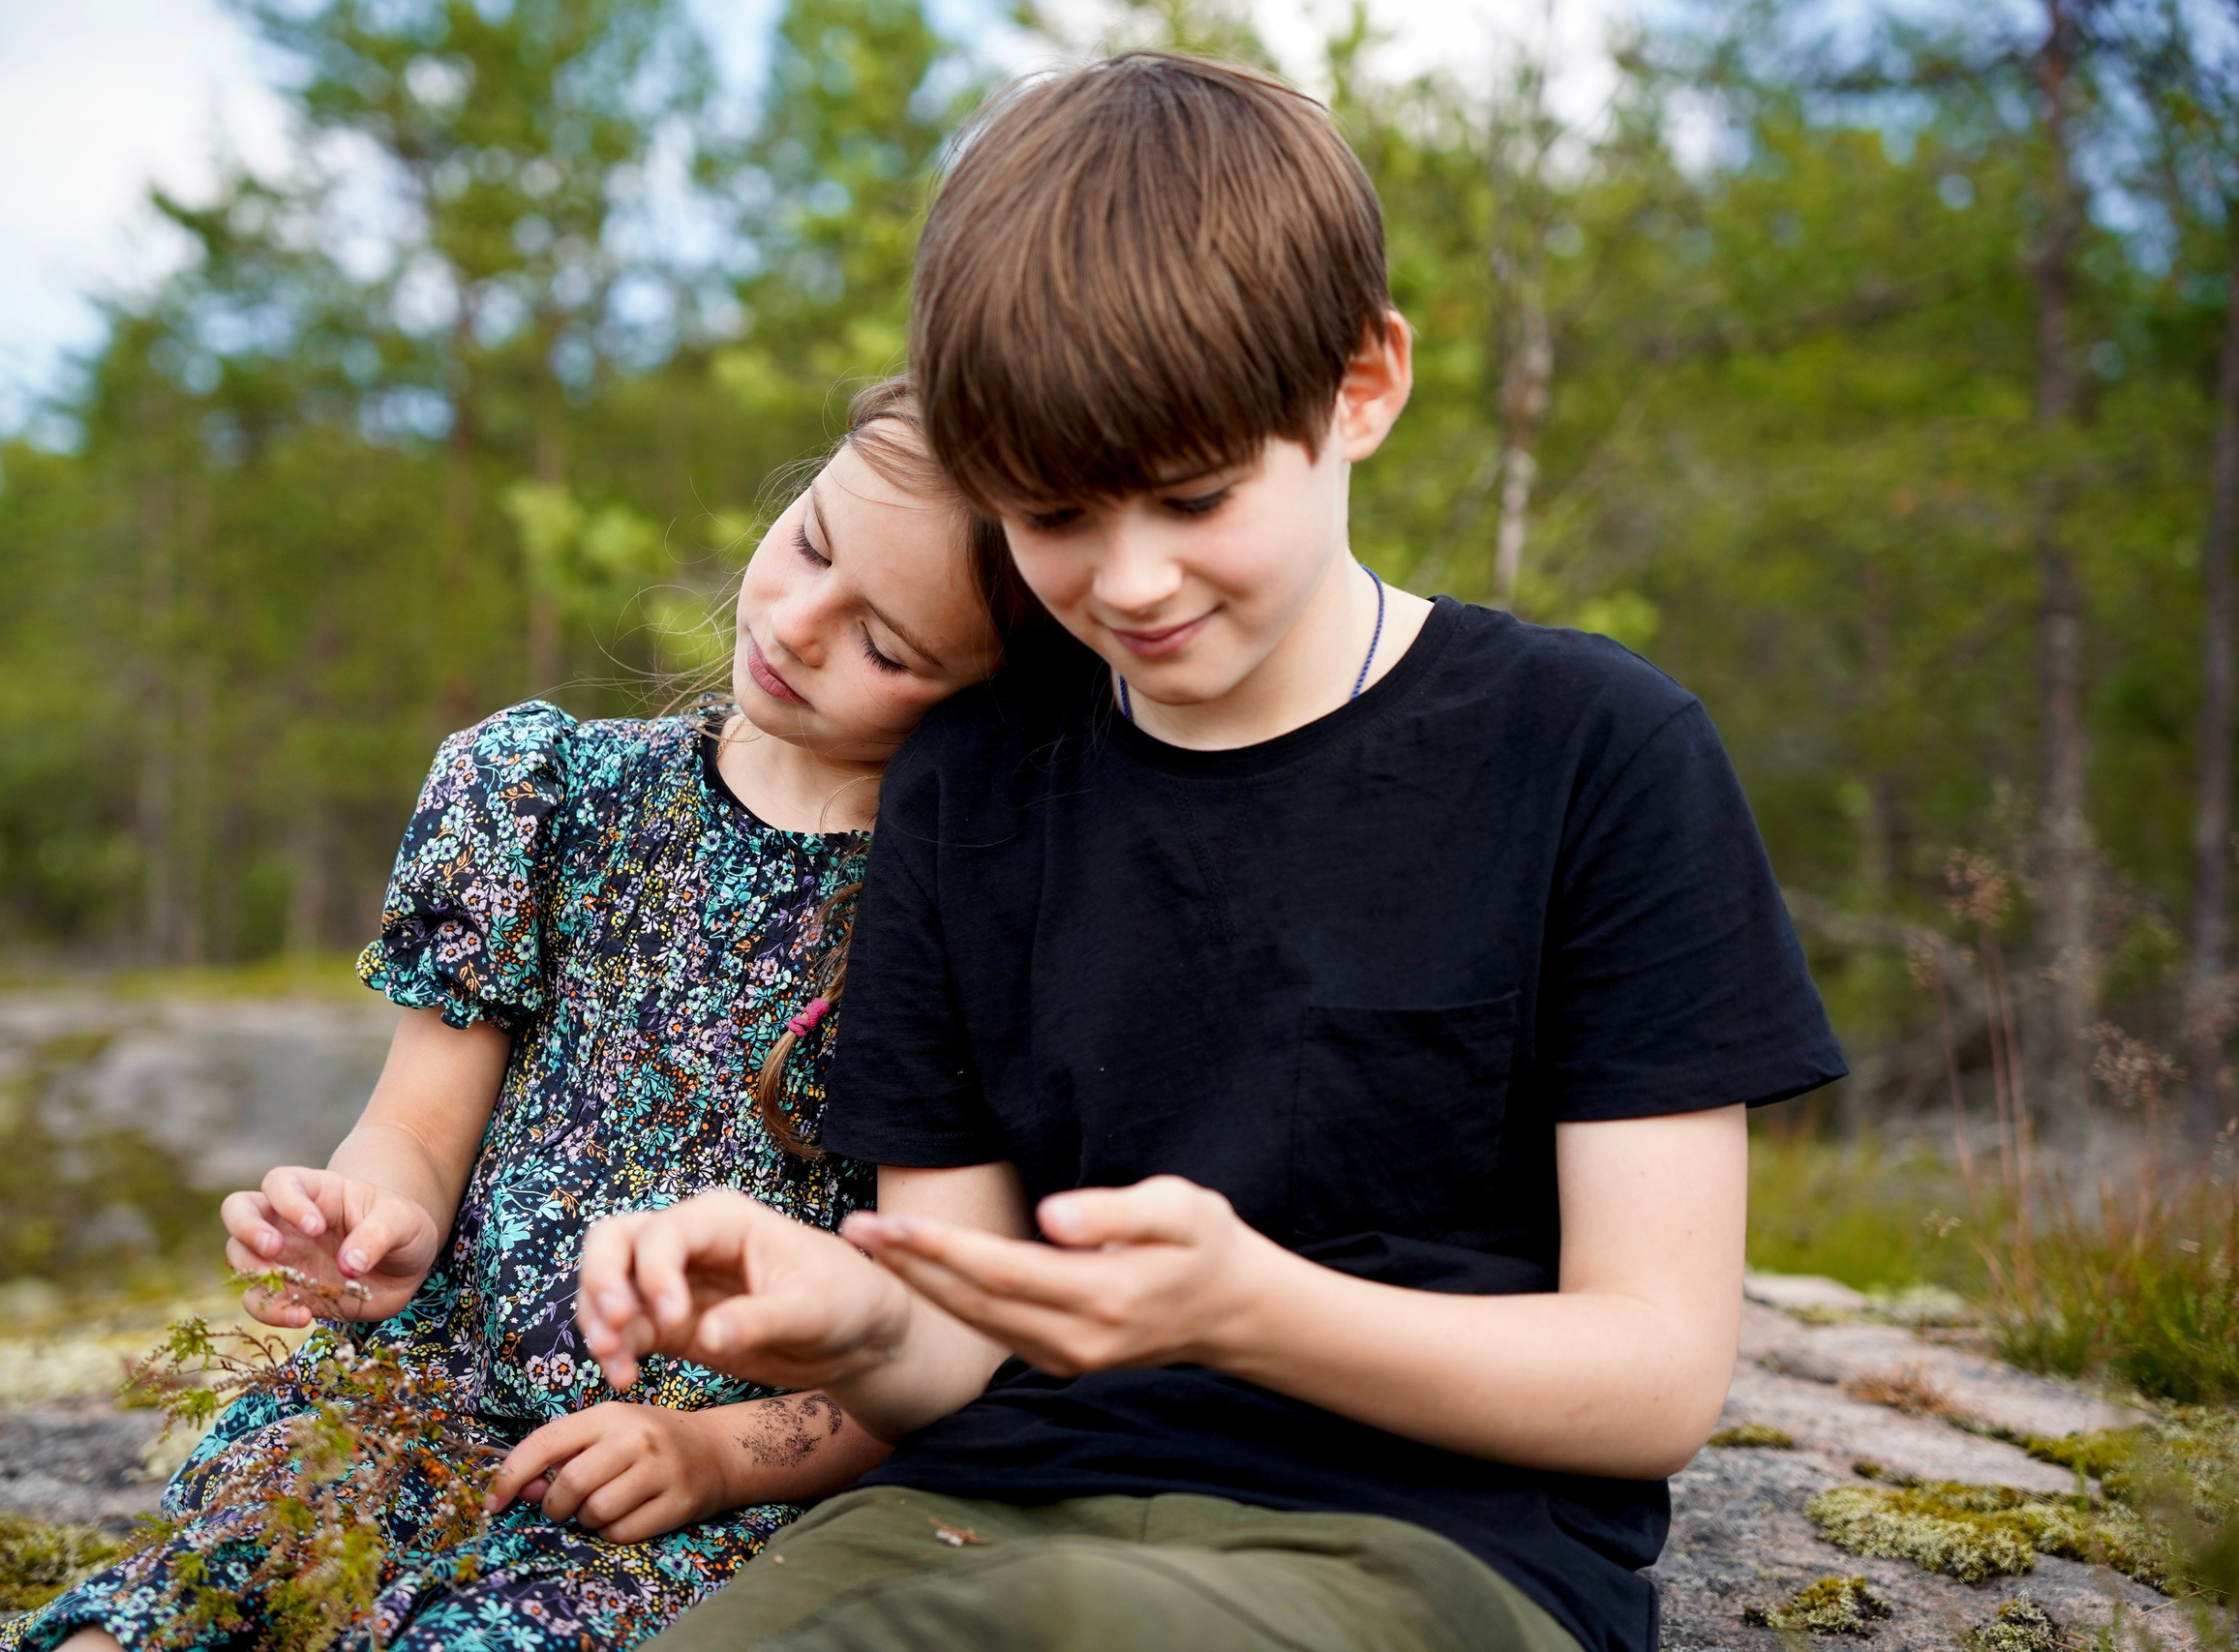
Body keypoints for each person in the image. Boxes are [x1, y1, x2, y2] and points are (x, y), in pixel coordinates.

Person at [571, 52, 1847, 1652]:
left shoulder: (1595, 752)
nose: (1131, 581)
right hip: (970, 1514)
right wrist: (838, 1312)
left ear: (1361, 387)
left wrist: (1249, 1313)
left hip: (1425, 1553)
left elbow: (1650, 1382)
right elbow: (955, 1341)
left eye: (1193, 496)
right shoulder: (972, 785)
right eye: (1051, 517)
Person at [3, 377, 1048, 1652]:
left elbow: (934, 1340)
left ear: (994, 693)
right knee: (239, 1561)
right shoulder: (548, 797)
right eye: (811, 541)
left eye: (889, 645)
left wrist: (714, 1456)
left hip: (679, 1481)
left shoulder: (951, 914)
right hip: (431, 1387)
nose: (797, 619)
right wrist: (373, 1218)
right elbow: (417, 1132)